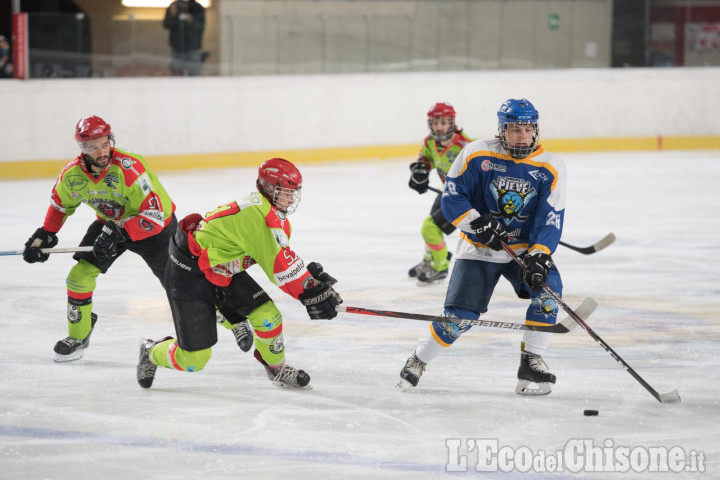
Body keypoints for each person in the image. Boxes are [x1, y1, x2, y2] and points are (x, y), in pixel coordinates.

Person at [398, 98, 567, 396]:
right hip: (478, 249)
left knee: (549, 290)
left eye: (528, 129)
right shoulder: (477, 153)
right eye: (515, 129)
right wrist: (477, 223)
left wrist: (540, 255)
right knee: (459, 319)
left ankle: (531, 362)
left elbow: (550, 217)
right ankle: (419, 359)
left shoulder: (551, 166)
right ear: (502, 129)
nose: (523, 135)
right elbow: (452, 197)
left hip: (523, 251)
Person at [136, 158, 343, 390]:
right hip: (188, 272)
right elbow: (281, 268)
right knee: (194, 360)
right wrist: (311, 290)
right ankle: (151, 350)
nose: (291, 198)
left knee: (267, 316)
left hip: (220, 267)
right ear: (270, 189)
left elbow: (282, 258)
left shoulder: (270, 214)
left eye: (294, 192)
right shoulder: (259, 217)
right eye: (286, 192)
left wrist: (310, 281)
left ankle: (275, 367)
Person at [407, 102, 473, 284]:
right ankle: (430, 260)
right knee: (431, 228)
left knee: (430, 228)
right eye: (435, 123)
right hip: (446, 192)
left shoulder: (465, 146)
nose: (439, 127)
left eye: (443, 122)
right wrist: (419, 172)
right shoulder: (430, 142)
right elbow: (425, 159)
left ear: (452, 122)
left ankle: (440, 266)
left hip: (463, 198)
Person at [163, 0, 205, 76]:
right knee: (177, 74)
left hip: (193, 47)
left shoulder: (197, 7)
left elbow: (200, 26)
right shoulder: (174, 6)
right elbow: (166, 24)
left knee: (194, 75)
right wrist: (173, 16)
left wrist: (190, 19)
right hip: (177, 47)